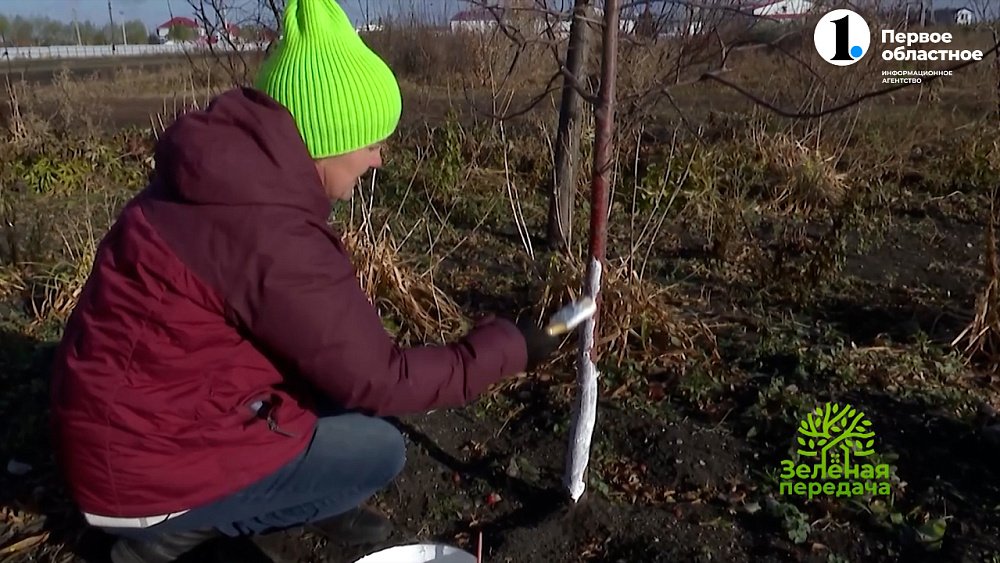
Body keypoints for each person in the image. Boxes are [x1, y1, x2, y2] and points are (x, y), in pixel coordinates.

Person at [48, 1, 564, 562]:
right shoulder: (267, 231)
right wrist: (507, 348)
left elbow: (326, 348)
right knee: (379, 447)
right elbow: (378, 379)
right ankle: (173, 534)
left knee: (332, 400)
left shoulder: (217, 181)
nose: (380, 160)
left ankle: (297, 494)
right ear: (327, 139)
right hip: (136, 479)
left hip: (119, 431)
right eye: (371, 142)